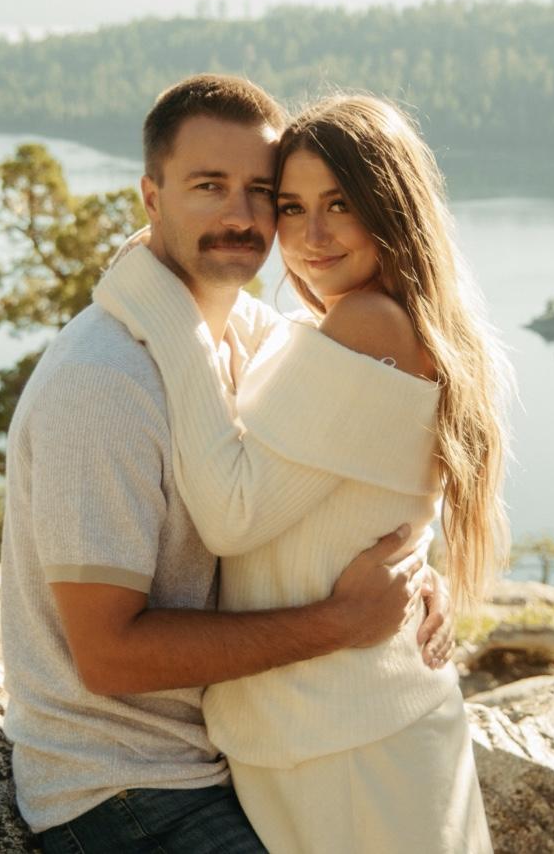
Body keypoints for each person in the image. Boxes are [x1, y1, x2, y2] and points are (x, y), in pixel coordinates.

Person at [1, 74, 454, 851]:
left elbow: (342, 457)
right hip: (123, 786)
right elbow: (107, 656)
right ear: (151, 198)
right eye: (209, 186)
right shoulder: (104, 382)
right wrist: (342, 622)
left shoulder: (249, 335)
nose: (242, 216)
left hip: (233, 756)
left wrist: (404, 561)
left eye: (262, 192)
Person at [94, 92, 511, 853]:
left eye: (340, 204)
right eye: (290, 207)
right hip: (325, 730)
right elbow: (276, 349)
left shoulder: (371, 323)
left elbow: (233, 515)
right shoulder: (347, 322)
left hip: (347, 742)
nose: (311, 236)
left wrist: (163, 311)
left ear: (392, 208)